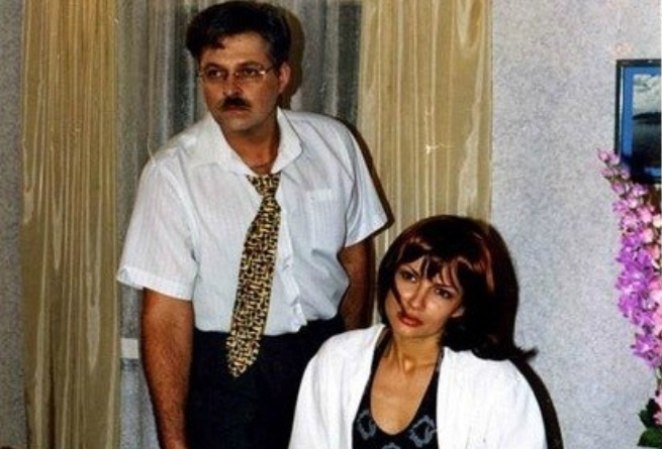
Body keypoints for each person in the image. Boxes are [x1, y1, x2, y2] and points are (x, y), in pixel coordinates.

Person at [117, 2, 387, 449]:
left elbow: (355, 258)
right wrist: (174, 443)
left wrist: (348, 357)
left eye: (249, 72)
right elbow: (164, 316)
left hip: (320, 360)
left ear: (282, 76)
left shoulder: (335, 146)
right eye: (215, 73)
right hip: (228, 377)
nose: (231, 89)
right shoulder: (171, 175)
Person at [288, 215, 547, 449]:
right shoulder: (337, 359)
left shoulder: (497, 384)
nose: (415, 301)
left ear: (461, 307)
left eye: (442, 292)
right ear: (391, 273)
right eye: (409, 277)